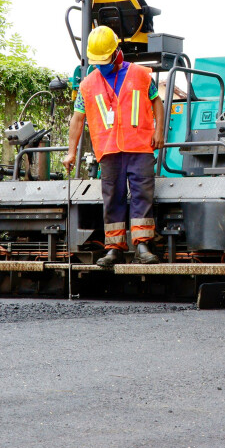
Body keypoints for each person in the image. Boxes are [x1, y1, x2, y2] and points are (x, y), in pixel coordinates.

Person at [64, 26, 164, 267]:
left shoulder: (140, 74)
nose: (101, 66)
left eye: (105, 61)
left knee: (142, 196)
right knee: (112, 199)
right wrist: (70, 152)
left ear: (117, 53)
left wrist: (159, 131)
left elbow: (157, 101)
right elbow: (77, 119)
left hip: (140, 147)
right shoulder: (87, 85)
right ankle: (114, 249)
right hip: (108, 150)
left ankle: (142, 246)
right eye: (97, 62)